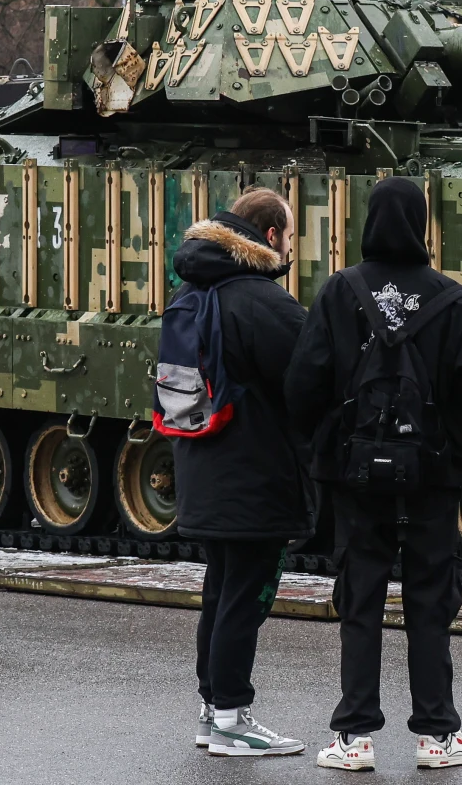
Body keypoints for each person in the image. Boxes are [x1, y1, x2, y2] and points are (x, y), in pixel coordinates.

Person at [285, 177, 462, 771]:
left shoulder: (339, 292)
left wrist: (335, 441)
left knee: (359, 598)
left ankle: (353, 737)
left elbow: (301, 388)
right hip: (431, 476)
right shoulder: (452, 299)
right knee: (431, 600)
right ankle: (438, 736)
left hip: (356, 477)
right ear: (422, 223)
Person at [169, 187, 312, 757]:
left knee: (221, 591)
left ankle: (212, 710)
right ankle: (231, 717)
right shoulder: (262, 302)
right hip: (256, 473)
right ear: (272, 237)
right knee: (245, 598)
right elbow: (308, 383)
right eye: (290, 235)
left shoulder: (190, 292)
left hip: (203, 465)